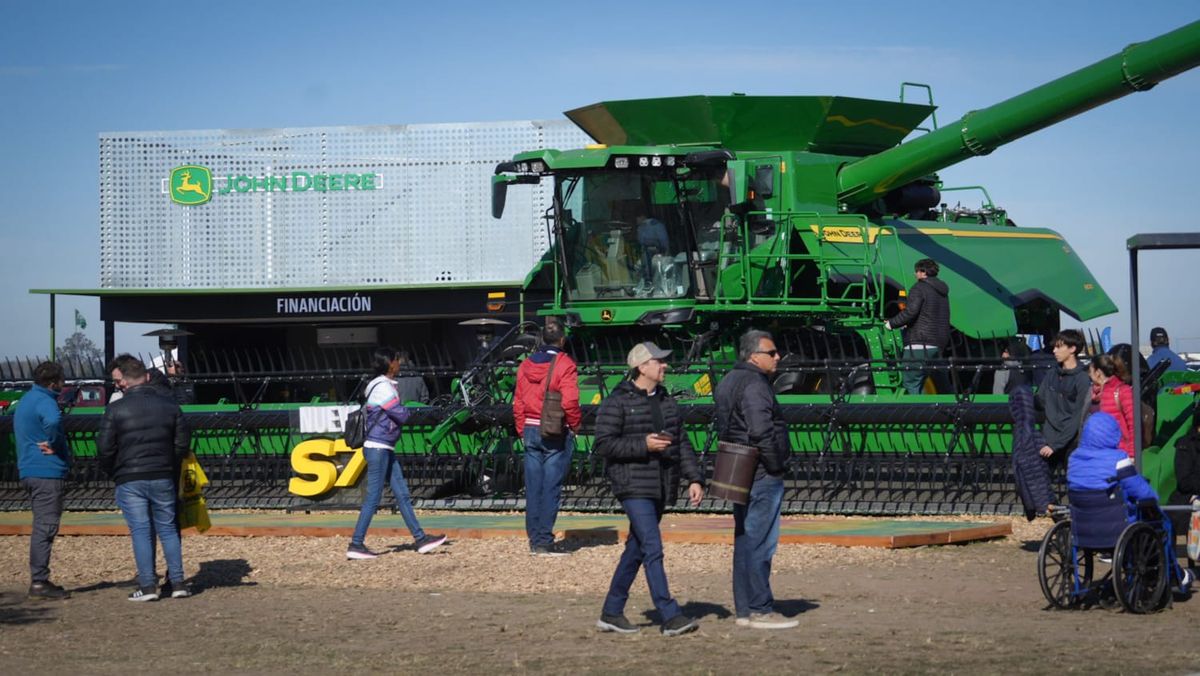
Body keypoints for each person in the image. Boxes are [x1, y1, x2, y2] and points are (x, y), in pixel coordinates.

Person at [594, 342, 705, 637]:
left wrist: (695, 478)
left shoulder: (667, 401)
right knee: (653, 547)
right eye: (659, 362)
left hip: (660, 484)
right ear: (642, 367)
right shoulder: (616, 401)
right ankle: (670, 615)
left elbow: (681, 443)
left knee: (637, 549)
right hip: (632, 484)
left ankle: (611, 612)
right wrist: (642, 445)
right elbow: (603, 444)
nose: (665, 365)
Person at [714, 329, 798, 629]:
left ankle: (745, 609)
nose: (777, 357)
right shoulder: (755, 385)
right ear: (754, 356)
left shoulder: (728, 380)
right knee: (761, 541)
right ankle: (761, 608)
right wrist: (776, 464)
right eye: (771, 353)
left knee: (745, 539)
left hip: (738, 469)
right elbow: (761, 429)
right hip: (761, 472)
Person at [97, 355, 191, 601]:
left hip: (129, 476)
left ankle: (148, 586)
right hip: (162, 473)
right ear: (147, 377)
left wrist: (115, 471)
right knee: (168, 529)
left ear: (125, 382)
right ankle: (178, 582)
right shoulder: (170, 406)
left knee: (141, 530)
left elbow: (105, 448)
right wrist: (169, 465)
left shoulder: (115, 408)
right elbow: (182, 444)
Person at [1067, 413, 1193, 593]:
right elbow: (1141, 491)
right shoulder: (1118, 459)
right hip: (1117, 526)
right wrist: (1153, 498)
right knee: (1162, 524)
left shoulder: (1074, 459)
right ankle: (1172, 574)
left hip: (1083, 528)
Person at [347, 347, 447, 559]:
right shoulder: (383, 387)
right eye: (397, 360)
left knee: (401, 494)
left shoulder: (383, 385)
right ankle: (356, 544)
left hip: (384, 447)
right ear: (390, 363)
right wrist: (408, 409)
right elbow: (400, 414)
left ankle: (420, 539)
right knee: (373, 497)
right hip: (378, 448)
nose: (400, 363)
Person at [513, 321, 582, 555]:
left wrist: (522, 429)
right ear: (562, 340)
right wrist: (575, 424)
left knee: (533, 487)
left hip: (530, 429)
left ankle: (534, 539)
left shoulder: (525, 365)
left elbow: (518, 401)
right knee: (551, 487)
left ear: (542, 339)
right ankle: (544, 539)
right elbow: (570, 401)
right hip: (554, 430)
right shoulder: (565, 364)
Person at [14, 361, 73, 600]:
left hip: (29, 469)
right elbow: (53, 421)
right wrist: (55, 443)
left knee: (41, 524)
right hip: (46, 471)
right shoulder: (46, 401)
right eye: (62, 380)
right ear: (53, 382)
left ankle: (39, 578)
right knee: (46, 527)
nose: (64, 384)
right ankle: (39, 580)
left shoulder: (27, 400)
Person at [885, 258, 951, 395]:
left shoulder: (919, 288)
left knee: (911, 382)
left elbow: (910, 312)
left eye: (916, 271)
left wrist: (891, 324)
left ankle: (918, 415)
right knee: (928, 382)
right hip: (938, 343)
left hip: (920, 343)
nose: (915, 275)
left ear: (923, 272)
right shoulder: (942, 292)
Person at [1035, 329, 1092, 468]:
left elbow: (1078, 416)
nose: (1054, 350)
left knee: (1073, 485)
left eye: (1059, 347)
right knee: (1041, 485)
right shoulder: (1051, 374)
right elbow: (1040, 400)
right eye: (1054, 346)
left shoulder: (1082, 379)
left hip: (1072, 443)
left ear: (1072, 349)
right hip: (1048, 440)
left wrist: (1056, 445)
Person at [1007, 370, 1055, 519]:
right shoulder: (1031, 429)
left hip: (1038, 495)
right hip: (1042, 490)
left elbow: (1027, 469)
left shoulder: (1023, 431)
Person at [1088, 353, 1136, 458]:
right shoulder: (1093, 394)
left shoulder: (1123, 391)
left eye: (1090, 371)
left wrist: (1132, 454)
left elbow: (1134, 425)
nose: (1089, 375)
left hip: (1120, 453)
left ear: (1098, 372)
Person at [635, 212, 670, 296]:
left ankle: (649, 281)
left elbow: (664, 241)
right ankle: (645, 282)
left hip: (657, 250)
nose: (636, 220)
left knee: (647, 257)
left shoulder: (656, 225)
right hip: (645, 250)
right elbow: (640, 242)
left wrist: (665, 251)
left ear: (642, 216)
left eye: (637, 218)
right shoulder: (640, 228)